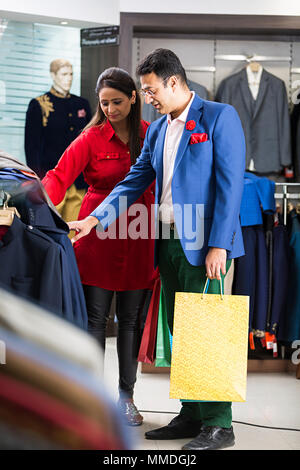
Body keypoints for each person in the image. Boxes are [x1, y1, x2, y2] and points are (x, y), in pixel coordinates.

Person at [68, 49, 246, 450]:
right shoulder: (158, 131)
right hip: (164, 243)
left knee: (208, 332)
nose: (146, 98)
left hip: (205, 247)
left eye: (150, 91)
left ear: (173, 81)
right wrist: (94, 220)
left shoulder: (219, 117)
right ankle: (192, 413)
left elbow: (230, 187)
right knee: (179, 332)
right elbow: (133, 181)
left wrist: (219, 244)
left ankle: (220, 424)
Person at [42, 67, 157, 426]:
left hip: (139, 235)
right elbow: (59, 176)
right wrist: (38, 205)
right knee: (94, 320)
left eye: (117, 102)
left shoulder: (150, 135)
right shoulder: (90, 138)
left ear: (134, 98)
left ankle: (127, 398)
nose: (109, 109)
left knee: (131, 321)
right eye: (104, 103)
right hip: (96, 237)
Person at [25, 58, 92, 225]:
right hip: (51, 178)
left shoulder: (81, 104)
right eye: (64, 74)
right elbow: (31, 147)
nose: (68, 78)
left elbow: (90, 140)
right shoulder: (39, 105)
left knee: (75, 228)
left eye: (71, 74)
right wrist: (36, 181)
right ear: (52, 75)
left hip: (78, 180)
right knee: (49, 227)